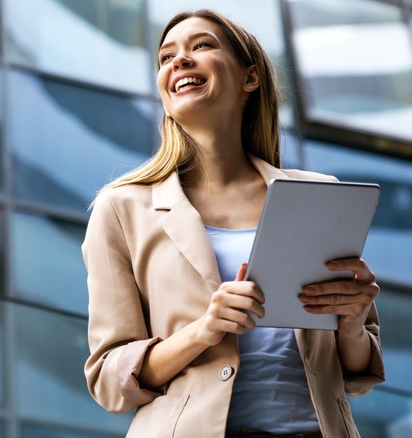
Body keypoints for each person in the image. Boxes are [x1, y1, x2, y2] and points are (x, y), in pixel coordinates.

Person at [82, 9, 385, 438]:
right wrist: (204, 331)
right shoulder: (122, 208)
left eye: (201, 46)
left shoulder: (318, 194)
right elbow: (109, 380)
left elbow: (357, 374)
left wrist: (352, 324)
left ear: (250, 77)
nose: (179, 60)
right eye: (166, 57)